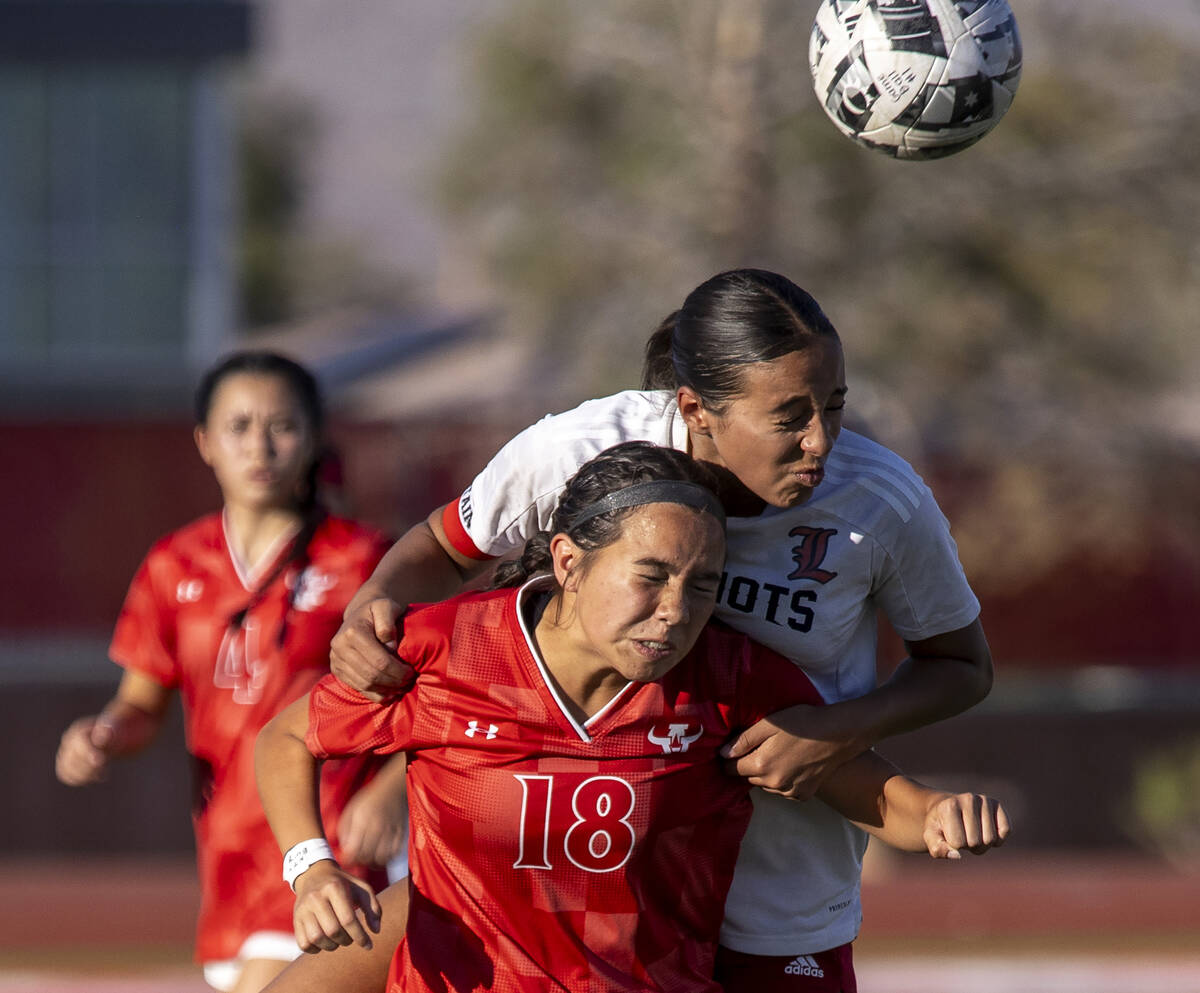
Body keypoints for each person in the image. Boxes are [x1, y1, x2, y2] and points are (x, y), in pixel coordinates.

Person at [325, 268, 992, 991]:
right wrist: (369, 609)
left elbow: (961, 666)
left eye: (833, 407)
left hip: (775, 887)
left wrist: (835, 730)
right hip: (604, 876)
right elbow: (441, 549)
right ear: (695, 409)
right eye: (789, 416)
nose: (820, 442)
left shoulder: (879, 499)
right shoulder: (580, 449)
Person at [256, 442, 1008, 993]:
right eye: (650, 577)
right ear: (569, 562)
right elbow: (289, 736)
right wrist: (310, 868)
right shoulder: (450, 649)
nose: (677, 611)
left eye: (703, 584)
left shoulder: (728, 678)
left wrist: (940, 813)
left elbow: (875, 795)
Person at [54, 351, 409, 993]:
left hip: (330, 846)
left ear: (313, 438)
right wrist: (103, 733)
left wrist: (392, 791)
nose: (260, 446)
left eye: (282, 426)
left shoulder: (365, 561)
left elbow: (438, 696)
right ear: (204, 443)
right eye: (239, 426)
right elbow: (139, 706)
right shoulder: (172, 564)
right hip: (228, 862)